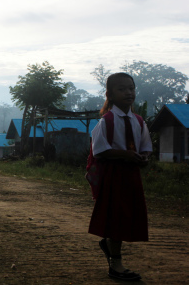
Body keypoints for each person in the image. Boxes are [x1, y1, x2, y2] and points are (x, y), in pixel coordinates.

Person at [88, 73, 152, 281]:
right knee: (117, 218)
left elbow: (146, 147)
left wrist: (144, 158)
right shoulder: (106, 122)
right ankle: (116, 264)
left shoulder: (139, 121)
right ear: (110, 95)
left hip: (131, 176)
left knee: (127, 216)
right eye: (122, 89)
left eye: (131, 88)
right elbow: (99, 150)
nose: (128, 93)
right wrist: (124, 154)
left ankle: (111, 250)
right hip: (113, 176)